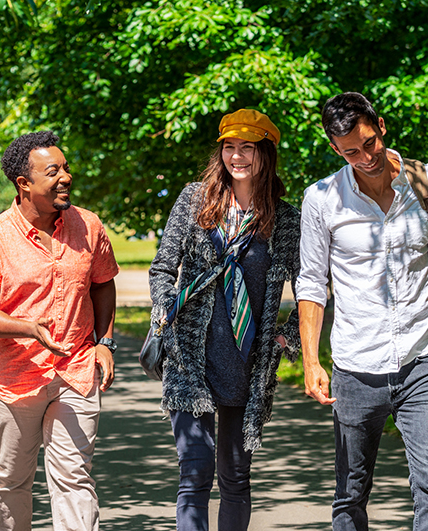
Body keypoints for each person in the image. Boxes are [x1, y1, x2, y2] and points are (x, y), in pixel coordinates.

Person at [295, 92, 428, 530]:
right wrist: (312, 360)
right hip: (355, 367)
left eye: (368, 143)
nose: (364, 157)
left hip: (421, 357)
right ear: (335, 148)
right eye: (350, 151)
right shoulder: (322, 199)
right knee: (350, 493)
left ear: (381, 127)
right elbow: (312, 284)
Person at [0, 131, 119, 531]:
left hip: (75, 371)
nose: (66, 176)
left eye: (65, 167)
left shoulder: (88, 225)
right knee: (10, 479)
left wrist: (105, 342)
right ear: (24, 184)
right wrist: (28, 328)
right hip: (15, 379)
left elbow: (103, 282)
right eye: (53, 171)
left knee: (73, 477)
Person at [148, 109, 301, 531]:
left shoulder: (285, 220)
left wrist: (287, 338)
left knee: (235, 478)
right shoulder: (195, 199)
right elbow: (163, 267)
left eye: (247, 148)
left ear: (265, 154)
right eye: (230, 147)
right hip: (190, 359)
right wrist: (164, 311)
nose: (237, 157)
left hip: (246, 365)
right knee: (194, 474)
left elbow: (311, 288)